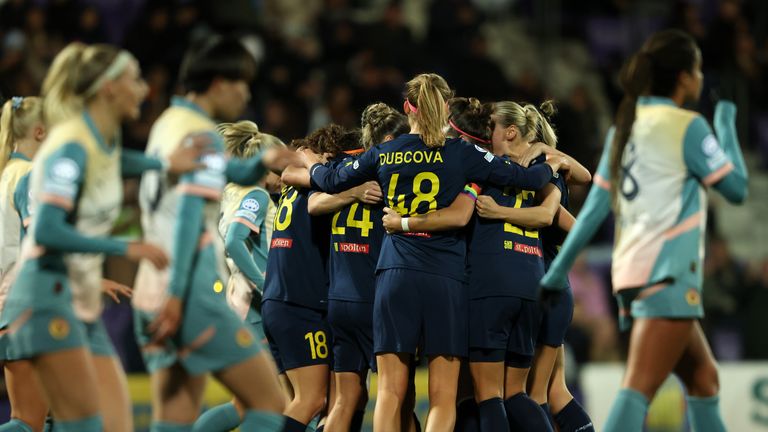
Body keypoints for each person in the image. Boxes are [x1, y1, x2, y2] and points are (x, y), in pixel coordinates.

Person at [302, 73, 568, 431]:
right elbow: (526, 180)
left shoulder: (384, 151)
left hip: (395, 275)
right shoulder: (462, 152)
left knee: (391, 394)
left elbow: (328, 180)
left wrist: (311, 163)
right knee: (444, 398)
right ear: (446, 107)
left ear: (407, 107)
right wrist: (549, 162)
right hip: (445, 280)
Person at [540, 29, 748, 432]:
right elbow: (737, 188)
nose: (702, 78)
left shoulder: (625, 129)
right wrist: (725, 122)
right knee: (638, 387)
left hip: (633, 275)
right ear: (686, 77)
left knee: (704, 380)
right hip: (667, 275)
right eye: (699, 70)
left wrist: (554, 273)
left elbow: (595, 209)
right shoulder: (688, 126)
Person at [2, 43, 171, 432]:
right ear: (107, 88)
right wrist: (124, 247)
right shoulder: (63, 152)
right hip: (39, 299)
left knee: (91, 424)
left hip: (62, 300)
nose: (144, 90)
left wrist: (162, 163)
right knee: (37, 422)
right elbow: (44, 231)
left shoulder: (29, 164)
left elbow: (115, 160)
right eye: (135, 79)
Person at [132, 37, 292, 432]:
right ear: (220, 82)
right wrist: (177, 295)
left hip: (152, 287)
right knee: (270, 402)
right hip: (188, 292)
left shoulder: (169, 123)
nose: (247, 93)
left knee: (174, 417)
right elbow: (188, 216)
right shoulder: (202, 135)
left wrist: (263, 161)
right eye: (243, 82)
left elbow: (222, 175)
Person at [262, 124, 359, 432]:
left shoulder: (293, 182)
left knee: (306, 401)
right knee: (313, 400)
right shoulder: (320, 183)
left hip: (276, 300)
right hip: (301, 303)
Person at [191, 120, 286, 432]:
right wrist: (265, 285)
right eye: (278, 168)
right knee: (271, 402)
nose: (283, 176)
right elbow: (234, 240)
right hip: (253, 309)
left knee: (247, 404)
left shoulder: (231, 193)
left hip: (239, 302)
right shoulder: (255, 196)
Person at [0, 96, 49, 432]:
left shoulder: (6, 174)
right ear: (42, 132)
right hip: (28, 306)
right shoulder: (29, 176)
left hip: (14, 305)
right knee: (27, 422)